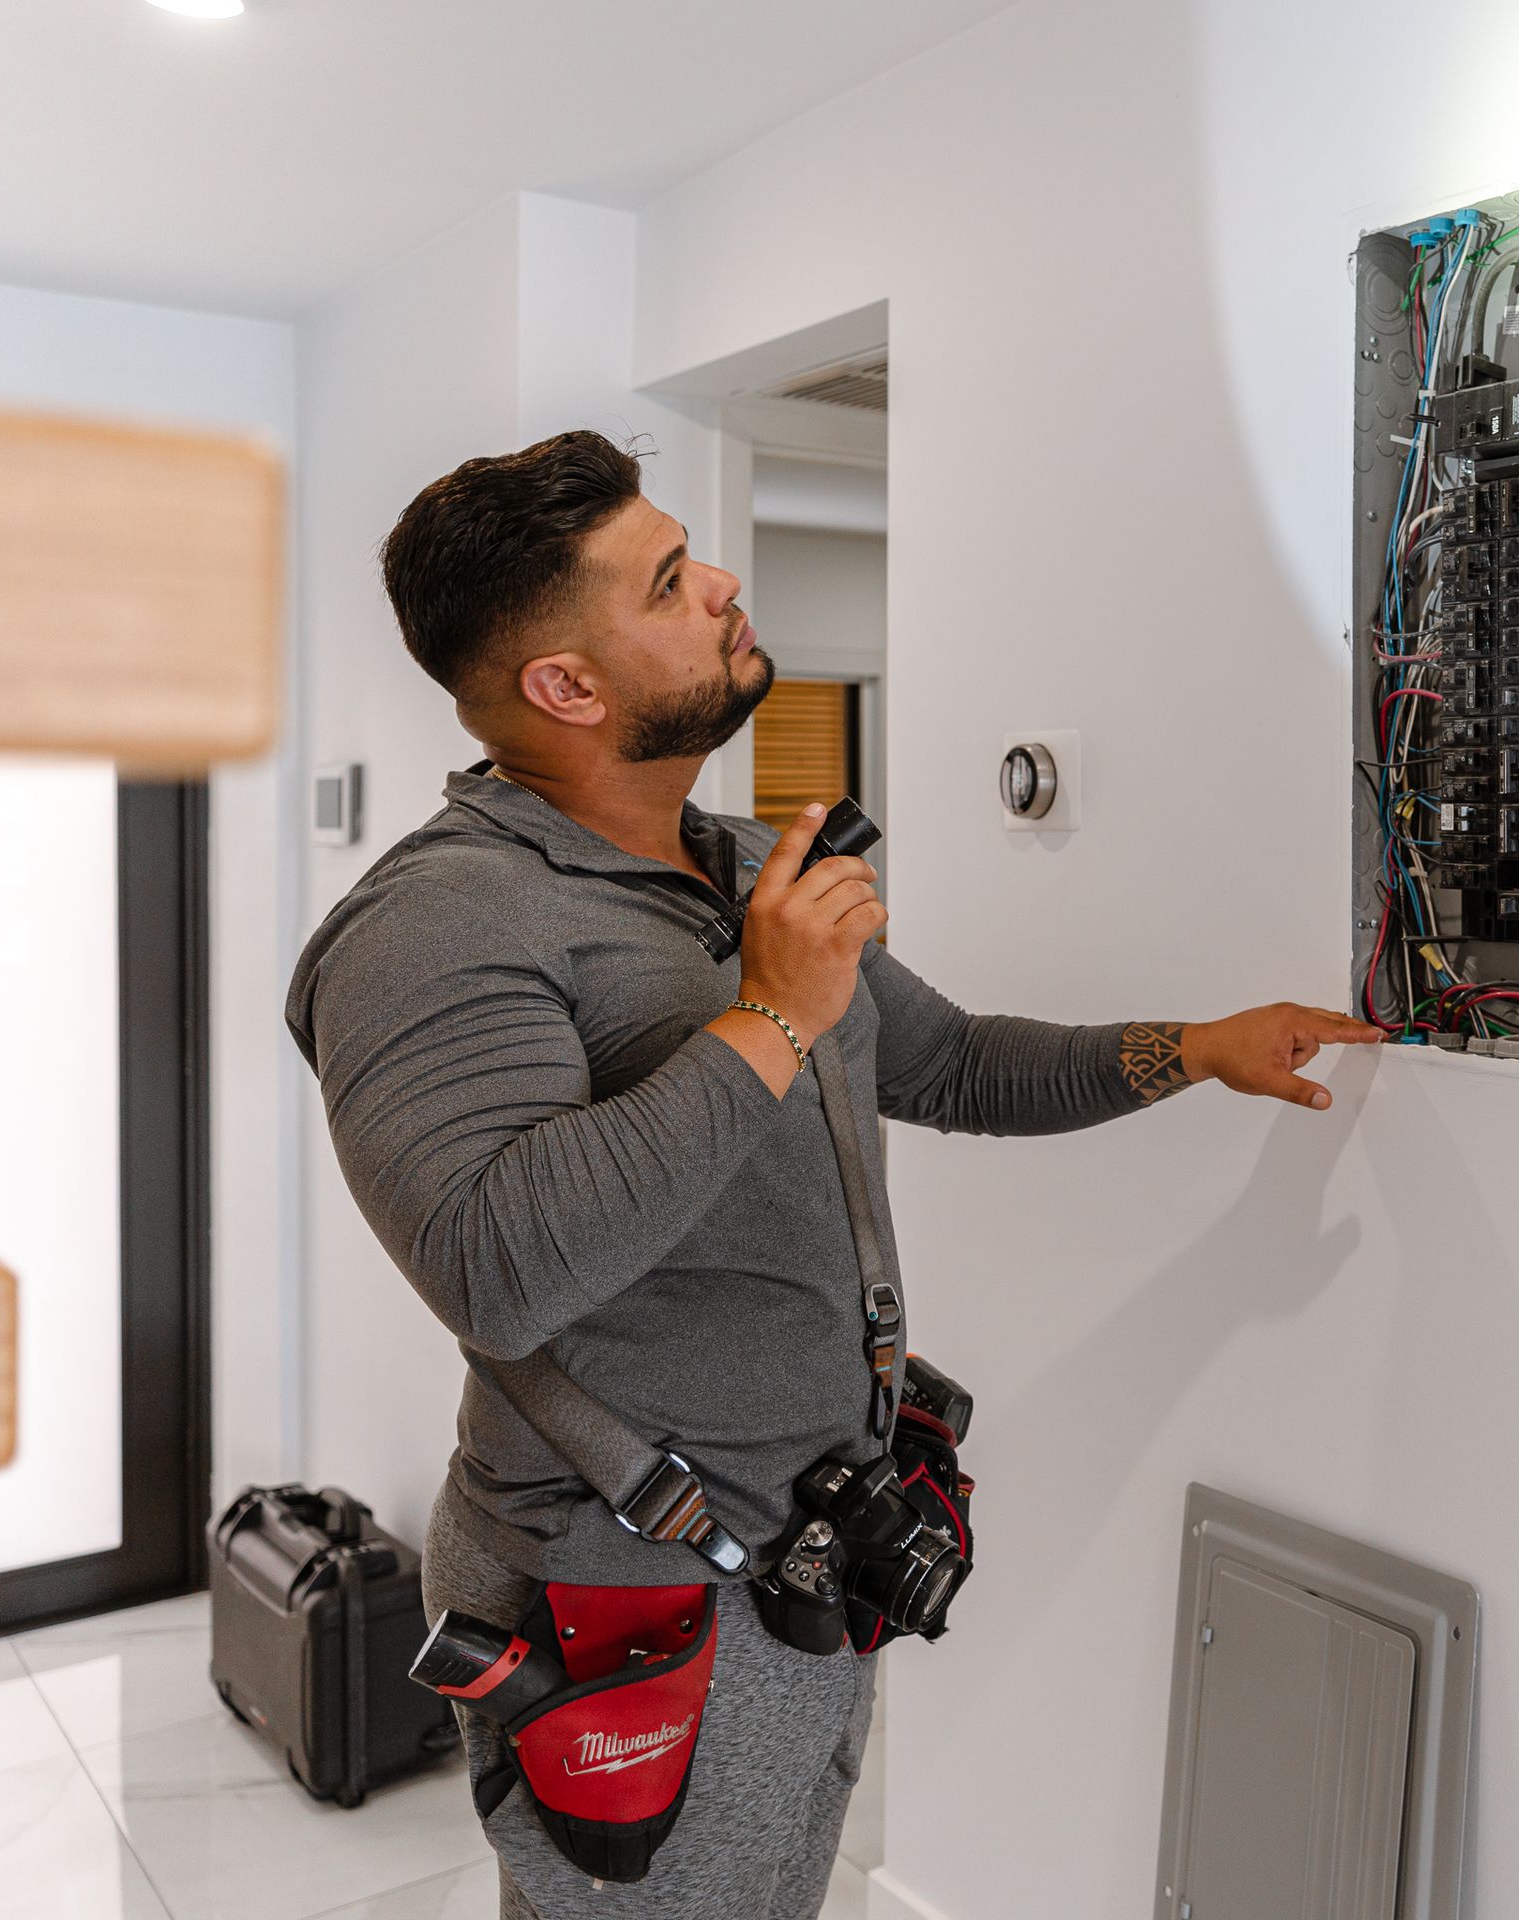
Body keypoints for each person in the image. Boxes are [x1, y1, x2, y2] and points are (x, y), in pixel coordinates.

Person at [285, 430, 1380, 1919]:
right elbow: (492, 1261)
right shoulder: (435, 927)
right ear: (567, 686)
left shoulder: (741, 869)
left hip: (805, 1555)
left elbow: (952, 1063)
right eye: (670, 579)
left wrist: (1195, 1047)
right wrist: (775, 1012)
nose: (723, 581)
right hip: (623, 1582)